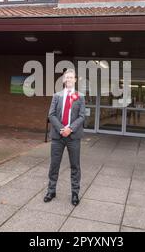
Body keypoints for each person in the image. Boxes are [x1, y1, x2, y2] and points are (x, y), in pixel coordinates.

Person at [44, 69, 86, 206]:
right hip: (58, 136)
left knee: (75, 166)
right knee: (54, 165)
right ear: (63, 80)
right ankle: (51, 190)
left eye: (71, 77)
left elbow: (82, 116)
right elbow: (51, 114)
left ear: (75, 80)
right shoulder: (57, 96)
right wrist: (61, 129)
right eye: (66, 77)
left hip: (73, 137)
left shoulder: (80, 96)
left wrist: (70, 129)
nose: (69, 79)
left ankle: (75, 193)